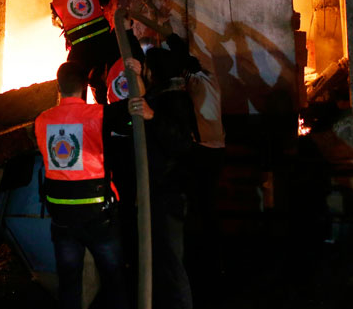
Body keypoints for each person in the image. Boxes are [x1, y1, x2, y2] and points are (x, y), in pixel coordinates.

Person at [34, 61, 131, 309]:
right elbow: (128, 114)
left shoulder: (42, 120)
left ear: (58, 86)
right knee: (114, 280)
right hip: (99, 215)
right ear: (85, 86)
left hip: (61, 217)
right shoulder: (99, 115)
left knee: (69, 283)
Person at [126, 47, 199, 309]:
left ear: (154, 73)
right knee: (161, 261)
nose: (143, 70)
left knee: (171, 262)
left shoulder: (174, 101)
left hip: (169, 193)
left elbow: (182, 142)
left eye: (146, 67)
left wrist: (152, 117)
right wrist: (136, 74)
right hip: (159, 191)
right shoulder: (163, 96)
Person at [164, 33, 226, 307]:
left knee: (199, 206)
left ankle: (204, 262)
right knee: (206, 205)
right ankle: (211, 259)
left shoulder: (195, 83)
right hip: (213, 148)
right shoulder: (205, 78)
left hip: (203, 150)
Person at [50, 0, 121, 102]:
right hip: (105, 42)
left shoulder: (56, 2)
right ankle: (103, 109)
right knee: (99, 78)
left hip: (81, 49)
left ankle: (78, 108)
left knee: (72, 75)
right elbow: (106, 1)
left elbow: (57, 23)